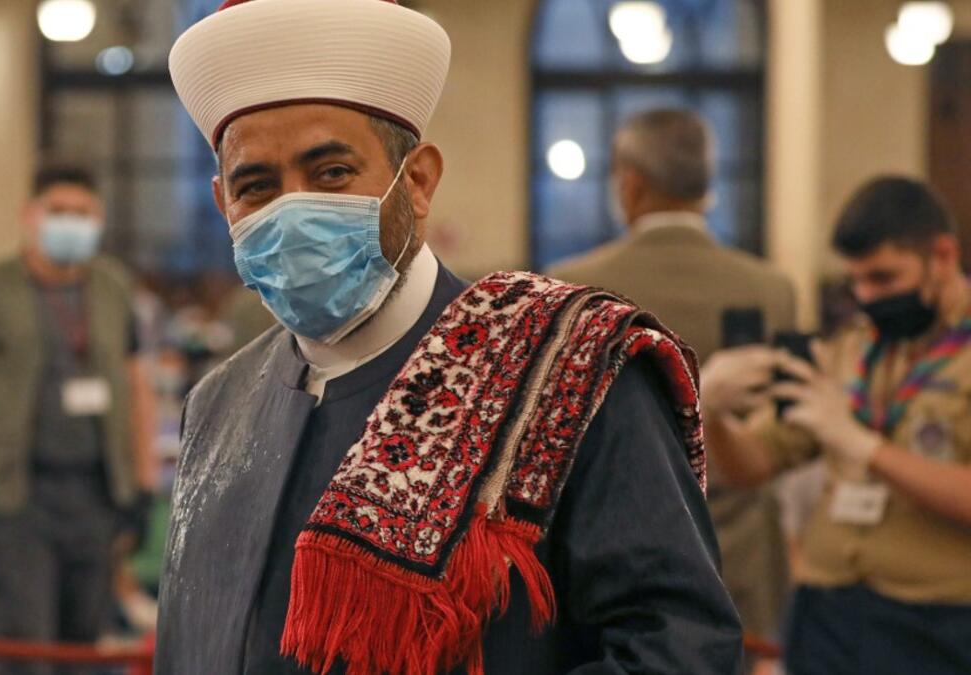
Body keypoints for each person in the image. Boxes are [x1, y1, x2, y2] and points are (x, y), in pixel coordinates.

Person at [155, 1, 742, 673]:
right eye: (256, 186)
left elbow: (680, 650)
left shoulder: (570, 369)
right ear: (222, 203)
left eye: (332, 174)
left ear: (421, 180)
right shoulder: (218, 403)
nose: (293, 209)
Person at [546, 108, 796, 647]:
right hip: (740, 553)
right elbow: (780, 433)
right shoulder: (771, 288)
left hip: (619, 550)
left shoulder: (573, 285)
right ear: (707, 184)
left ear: (629, 183)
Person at [702, 176, 971, 675]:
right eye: (858, 281)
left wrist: (865, 448)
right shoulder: (854, 348)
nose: (868, 296)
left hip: (937, 622)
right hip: (828, 612)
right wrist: (711, 413)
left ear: (943, 256)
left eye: (885, 278)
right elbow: (754, 465)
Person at [0, 164, 157, 674]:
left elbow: (137, 387)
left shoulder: (113, 288)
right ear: (30, 216)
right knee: (19, 650)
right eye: (58, 211)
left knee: (83, 651)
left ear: (98, 219)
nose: (70, 222)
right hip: (13, 498)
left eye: (82, 213)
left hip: (94, 495)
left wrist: (141, 485)